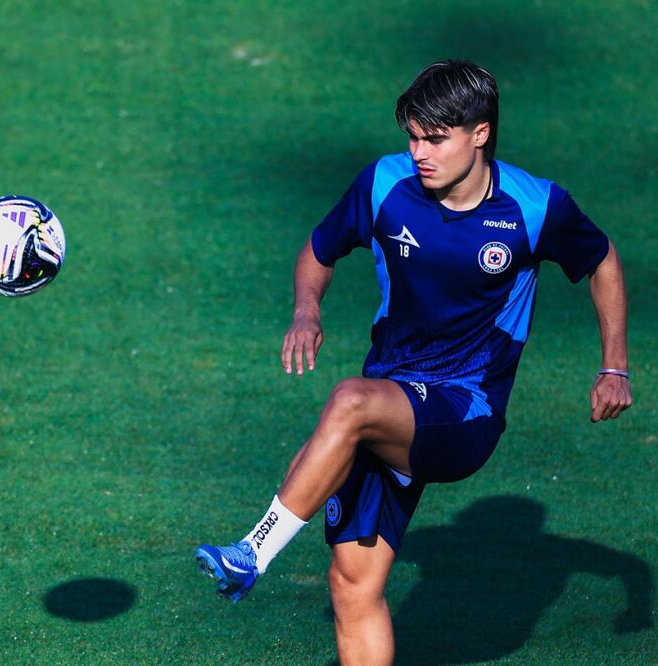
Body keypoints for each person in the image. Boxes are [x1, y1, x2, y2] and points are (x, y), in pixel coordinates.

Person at [195, 59, 632, 664]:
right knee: (352, 584)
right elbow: (319, 251)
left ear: (479, 133)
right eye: (413, 136)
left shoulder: (535, 208)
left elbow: (603, 258)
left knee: (347, 405)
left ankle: (252, 552)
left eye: (435, 138)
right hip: (392, 400)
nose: (418, 152)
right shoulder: (384, 185)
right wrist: (306, 310)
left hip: (464, 410)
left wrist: (615, 366)